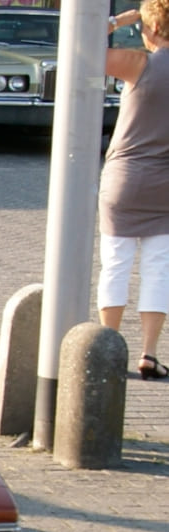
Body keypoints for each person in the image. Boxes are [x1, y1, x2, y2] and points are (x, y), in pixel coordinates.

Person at [99, 3, 169, 380]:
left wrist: (117, 21)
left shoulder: (139, 64)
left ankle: (108, 350)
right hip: (165, 183)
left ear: (152, 26)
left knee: (116, 264)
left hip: (124, 178)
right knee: (159, 269)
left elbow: (85, 50)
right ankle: (149, 353)